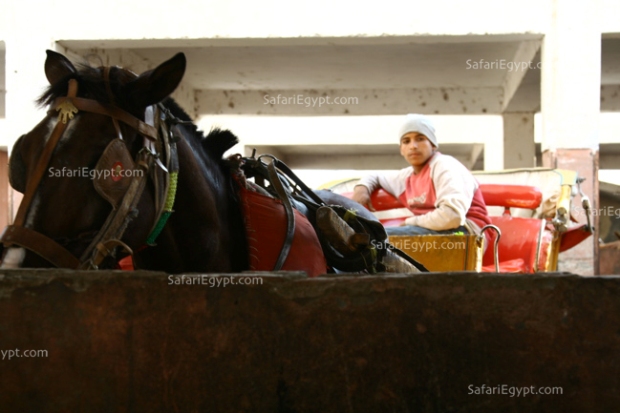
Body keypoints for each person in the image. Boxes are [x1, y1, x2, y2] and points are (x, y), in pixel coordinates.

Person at [352, 113, 493, 245]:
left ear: (433, 144)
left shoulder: (446, 166)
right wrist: (362, 188)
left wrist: (409, 222)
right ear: (401, 149)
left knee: (377, 239)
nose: (413, 146)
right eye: (406, 141)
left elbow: (452, 216)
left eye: (420, 139)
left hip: (467, 234)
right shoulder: (405, 177)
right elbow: (375, 177)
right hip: (433, 233)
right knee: (368, 240)